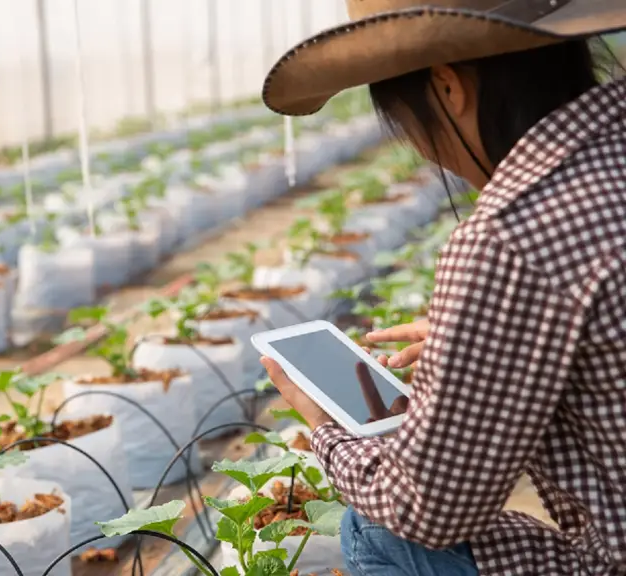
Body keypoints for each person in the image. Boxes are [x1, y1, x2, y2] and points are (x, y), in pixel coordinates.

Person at [259, 1, 626, 575]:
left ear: (448, 87)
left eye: (409, 127)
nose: (427, 151)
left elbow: (429, 509)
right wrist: (509, 338)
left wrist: (328, 434)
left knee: (380, 529)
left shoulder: (514, 236)